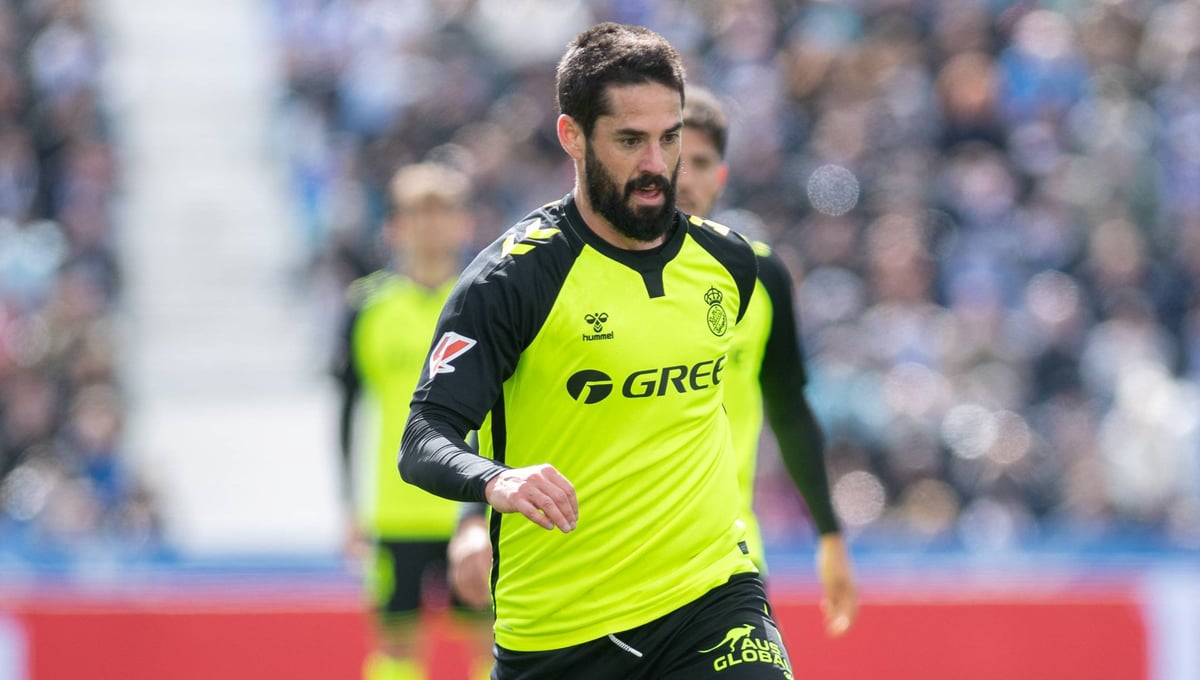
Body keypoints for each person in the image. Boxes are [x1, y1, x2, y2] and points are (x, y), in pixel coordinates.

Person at [400, 22, 797, 679]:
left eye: (670, 137)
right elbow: (423, 435)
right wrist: (495, 482)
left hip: (711, 594)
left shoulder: (729, 264)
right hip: (561, 633)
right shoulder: (513, 279)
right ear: (573, 136)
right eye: (630, 140)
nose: (656, 165)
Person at [445, 86, 859, 639]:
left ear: (721, 177)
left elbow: (789, 408)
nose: (679, 176)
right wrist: (473, 518)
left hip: (722, 561)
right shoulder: (562, 272)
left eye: (697, 160)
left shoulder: (752, 275)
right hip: (585, 572)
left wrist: (829, 535)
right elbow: (500, 406)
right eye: (666, 155)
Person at [332, 161, 487, 680]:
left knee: (491, 642)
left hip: (472, 506)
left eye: (442, 212)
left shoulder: (485, 300)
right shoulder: (368, 307)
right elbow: (347, 410)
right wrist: (350, 506)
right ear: (394, 225)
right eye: (418, 213)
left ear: (464, 223)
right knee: (396, 646)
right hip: (394, 510)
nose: (430, 226)